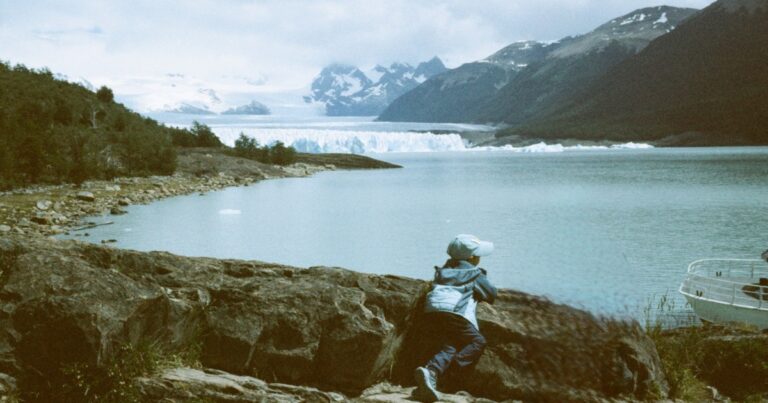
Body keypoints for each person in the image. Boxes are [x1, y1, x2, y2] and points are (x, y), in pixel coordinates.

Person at [414, 234, 498, 402]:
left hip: (431, 312)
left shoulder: (443, 270)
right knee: (477, 341)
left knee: (450, 345)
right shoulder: (474, 273)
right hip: (454, 314)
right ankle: (453, 370)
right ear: (473, 258)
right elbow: (491, 294)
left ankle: (431, 372)